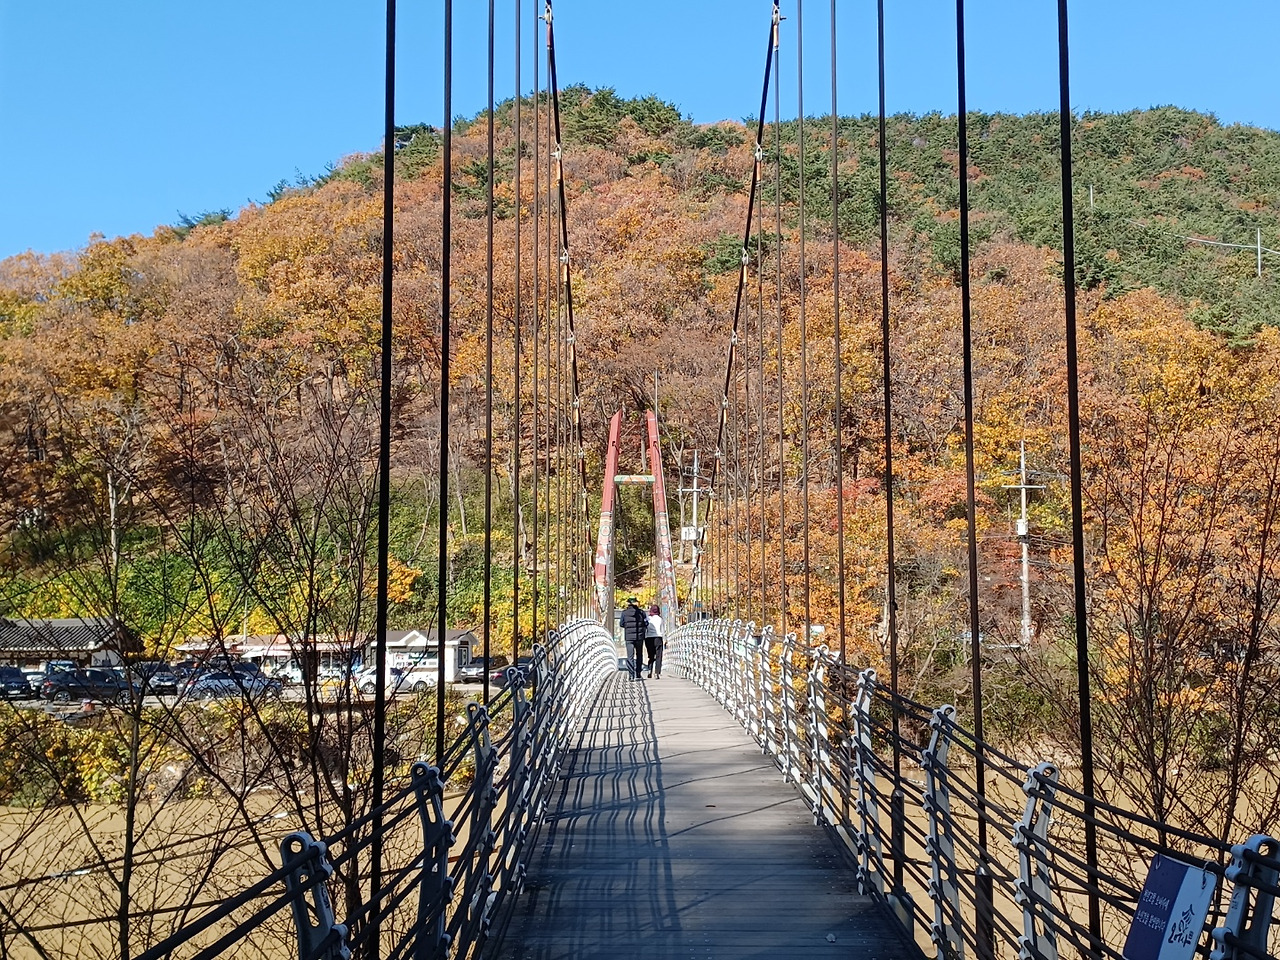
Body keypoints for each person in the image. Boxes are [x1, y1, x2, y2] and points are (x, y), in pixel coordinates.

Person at [619, 596, 648, 680]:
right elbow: (646, 623)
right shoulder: (641, 612)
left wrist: (627, 627)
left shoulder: (624, 613)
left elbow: (621, 624)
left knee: (630, 656)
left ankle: (631, 675)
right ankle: (638, 673)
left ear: (628, 603)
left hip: (629, 637)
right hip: (639, 637)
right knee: (639, 655)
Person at [645, 603, 664, 679]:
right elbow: (662, 630)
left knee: (651, 656)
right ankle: (657, 672)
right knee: (658, 656)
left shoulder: (648, 619)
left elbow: (645, 629)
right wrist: (665, 639)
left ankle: (649, 670)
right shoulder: (660, 619)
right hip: (658, 638)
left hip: (649, 638)